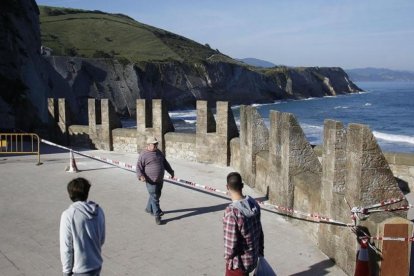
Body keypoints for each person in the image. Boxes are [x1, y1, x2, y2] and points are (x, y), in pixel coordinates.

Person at [60, 177, 105, 276]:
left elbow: (66, 247)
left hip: (79, 269)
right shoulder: (99, 211)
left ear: (70, 194)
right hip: (96, 265)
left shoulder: (68, 215)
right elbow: (101, 239)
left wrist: (66, 271)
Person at [223, 172, 264, 276]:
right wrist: (260, 252)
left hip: (238, 265)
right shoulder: (253, 203)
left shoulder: (232, 212)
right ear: (242, 186)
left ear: (227, 187)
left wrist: (227, 259)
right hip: (252, 259)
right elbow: (260, 232)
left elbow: (230, 247)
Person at [136, 136, 174, 225]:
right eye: (154, 144)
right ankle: (157, 215)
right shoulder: (144, 154)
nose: (156, 145)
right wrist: (140, 176)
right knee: (154, 197)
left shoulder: (158, 152)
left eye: (157, 144)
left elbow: (165, 162)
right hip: (150, 180)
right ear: (149, 145)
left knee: (157, 195)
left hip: (160, 179)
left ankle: (149, 208)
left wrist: (171, 171)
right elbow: (138, 167)